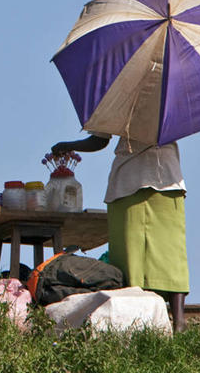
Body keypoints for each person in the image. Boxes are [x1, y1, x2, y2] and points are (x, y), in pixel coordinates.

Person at [51, 133, 189, 332]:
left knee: (130, 260)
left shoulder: (118, 102)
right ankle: (179, 321)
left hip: (129, 180)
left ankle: (138, 321)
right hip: (166, 177)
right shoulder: (172, 104)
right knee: (171, 254)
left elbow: (99, 140)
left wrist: (66, 144)